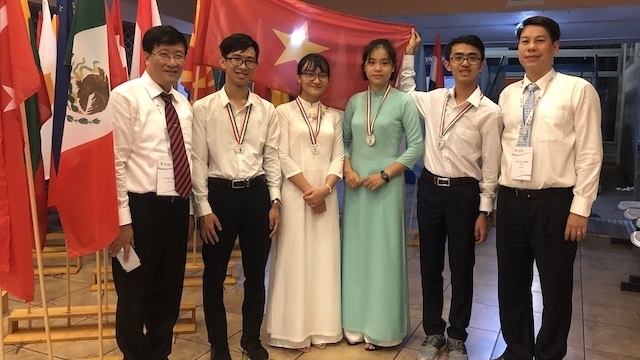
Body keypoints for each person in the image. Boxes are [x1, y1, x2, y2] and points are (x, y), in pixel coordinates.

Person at [495, 16, 602, 360]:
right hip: (511, 200)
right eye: (525, 41)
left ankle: (550, 352)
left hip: (556, 203)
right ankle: (517, 348)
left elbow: (589, 152)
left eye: (540, 41)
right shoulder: (509, 94)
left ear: (555, 47)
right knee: (511, 284)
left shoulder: (578, 90)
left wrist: (580, 208)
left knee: (556, 287)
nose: (531, 47)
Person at [399, 31, 502, 360]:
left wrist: (484, 211)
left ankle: (457, 336)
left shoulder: (490, 112)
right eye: (458, 57)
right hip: (430, 190)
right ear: (446, 63)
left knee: (462, 267)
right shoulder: (434, 99)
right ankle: (433, 333)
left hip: (464, 195)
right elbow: (405, 89)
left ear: (481, 65)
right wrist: (408, 53)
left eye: (472, 57)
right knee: (429, 265)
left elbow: (491, 168)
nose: (465, 63)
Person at [191, 33, 281, 360]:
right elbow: (197, 161)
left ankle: (251, 339)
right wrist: (202, 208)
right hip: (219, 197)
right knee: (214, 275)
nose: (243, 66)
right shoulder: (203, 109)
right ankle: (218, 345)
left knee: (256, 274)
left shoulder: (267, 110)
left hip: (257, 196)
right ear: (223, 62)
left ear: (256, 65)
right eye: (237, 59)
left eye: (249, 60)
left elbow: (271, 158)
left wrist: (275, 201)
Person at [109, 25, 194, 360]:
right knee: (133, 294)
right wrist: (122, 221)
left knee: (168, 292)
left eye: (178, 55)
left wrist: (187, 213)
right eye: (164, 54)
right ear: (147, 56)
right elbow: (116, 163)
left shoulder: (183, 104)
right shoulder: (125, 97)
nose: (172, 62)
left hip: (175, 210)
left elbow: (187, 160)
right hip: (138, 210)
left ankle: (159, 353)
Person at [341, 38, 424, 351]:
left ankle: (382, 327)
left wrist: (386, 174)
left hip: (387, 188)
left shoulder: (403, 102)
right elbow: (345, 141)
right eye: (372, 62)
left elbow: (416, 146)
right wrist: (348, 169)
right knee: (357, 252)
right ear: (364, 66)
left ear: (393, 67)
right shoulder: (353, 102)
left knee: (384, 255)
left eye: (385, 62)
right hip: (356, 187)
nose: (378, 67)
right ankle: (355, 323)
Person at [266, 53, 344, 352]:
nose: (316, 79)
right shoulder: (282, 113)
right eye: (309, 74)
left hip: (326, 193)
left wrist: (325, 188)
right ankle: (291, 331)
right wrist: (309, 191)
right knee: (293, 257)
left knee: (323, 258)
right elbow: (280, 155)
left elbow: (339, 156)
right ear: (298, 78)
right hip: (294, 193)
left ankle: (322, 328)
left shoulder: (335, 115)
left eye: (322, 75)